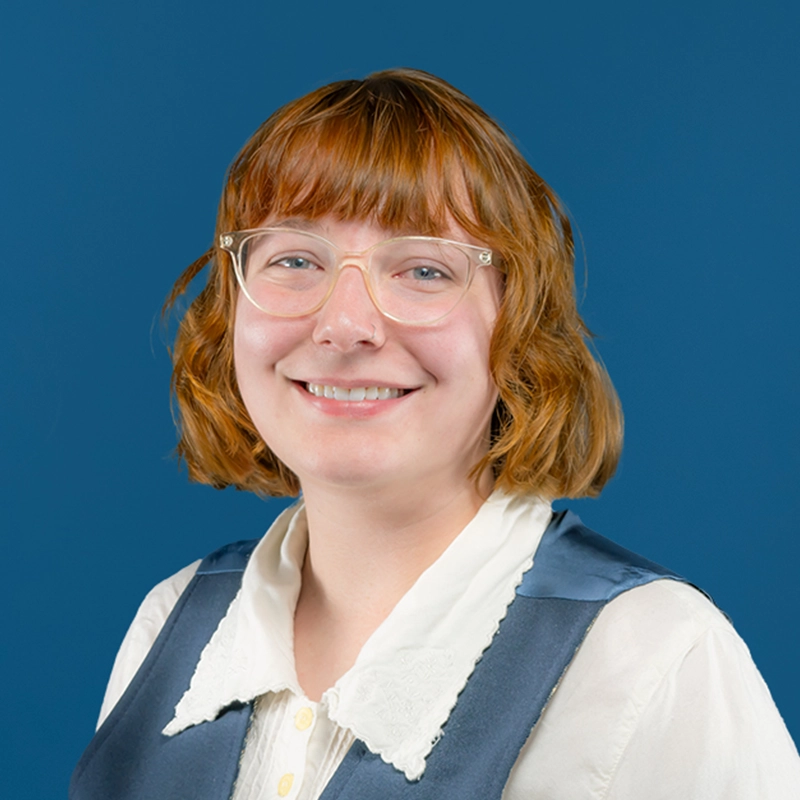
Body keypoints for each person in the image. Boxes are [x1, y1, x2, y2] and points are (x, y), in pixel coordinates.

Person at [70, 69, 800, 799]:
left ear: (518, 324)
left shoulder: (651, 654)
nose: (345, 325)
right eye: (294, 259)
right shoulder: (174, 624)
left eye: (423, 269)